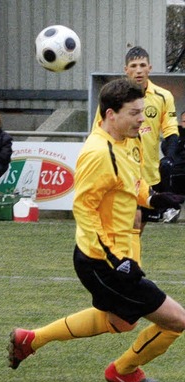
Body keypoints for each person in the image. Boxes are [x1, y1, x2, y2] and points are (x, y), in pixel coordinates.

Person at [8, 78, 185, 382]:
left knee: (118, 321)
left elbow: (132, 183)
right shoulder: (97, 153)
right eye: (134, 113)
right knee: (176, 320)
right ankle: (123, 371)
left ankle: (30, 340)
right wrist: (116, 261)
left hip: (114, 255)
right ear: (111, 114)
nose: (141, 119)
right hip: (102, 261)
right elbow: (85, 211)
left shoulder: (130, 140)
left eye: (142, 111)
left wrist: (152, 198)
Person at [92, 47, 180, 263]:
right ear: (126, 70)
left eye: (142, 65)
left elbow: (170, 129)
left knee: (137, 227)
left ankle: (121, 264)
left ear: (150, 68)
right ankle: (127, 270)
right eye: (133, 66)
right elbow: (99, 129)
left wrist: (169, 157)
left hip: (148, 174)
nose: (138, 70)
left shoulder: (162, 96)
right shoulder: (112, 97)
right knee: (132, 219)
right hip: (121, 170)